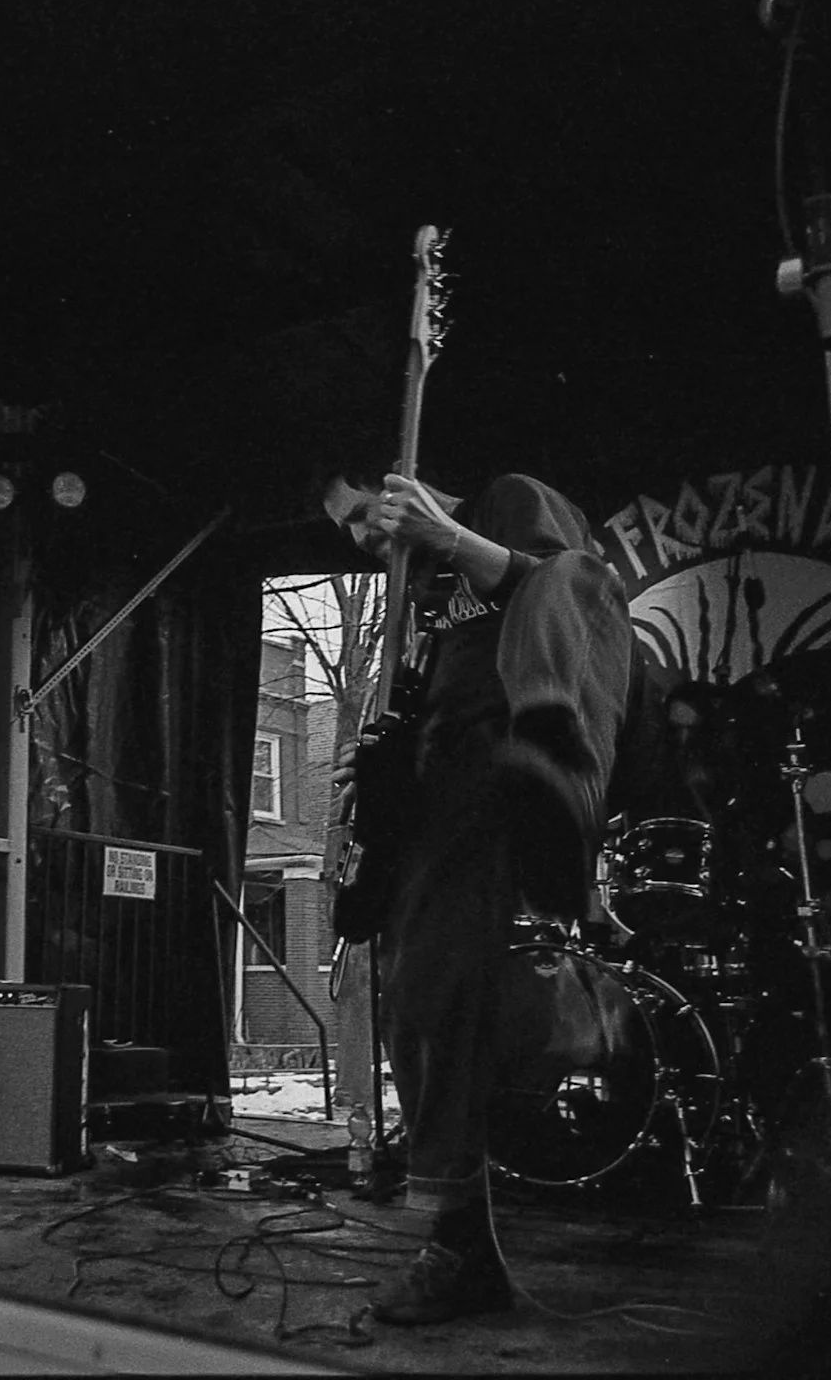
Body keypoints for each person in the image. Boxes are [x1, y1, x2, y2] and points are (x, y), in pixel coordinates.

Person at [325, 467, 634, 1324]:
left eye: (364, 512)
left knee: (567, 578)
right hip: (451, 795)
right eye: (346, 530)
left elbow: (574, 592)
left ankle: (556, 777)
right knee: (421, 995)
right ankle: (462, 1242)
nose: (361, 537)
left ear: (406, 481)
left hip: (523, 756)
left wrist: (451, 536)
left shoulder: (506, 504)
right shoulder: (420, 605)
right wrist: (379, 761)